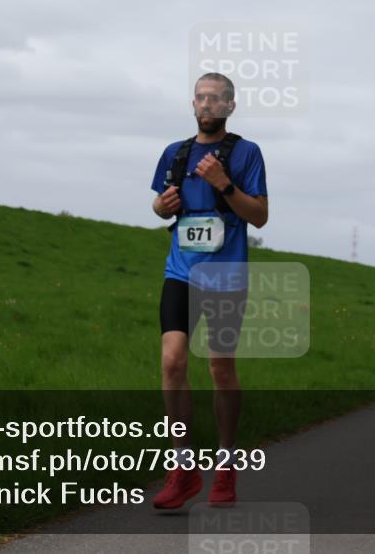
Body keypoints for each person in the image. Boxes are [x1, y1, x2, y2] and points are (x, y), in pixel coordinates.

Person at [150, 72, 268, 508]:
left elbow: (259, 216)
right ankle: (182, 467)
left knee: (220, 369)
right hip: (180, 271)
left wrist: (224, 183)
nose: (206, 104)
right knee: (172, 361)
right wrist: (161, 205)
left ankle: (225, 465)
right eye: (200, 97)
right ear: (193, 104)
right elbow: (161, 203)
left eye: (216, 98)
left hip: (225, 275)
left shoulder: (247, 153)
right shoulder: (174, 153)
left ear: (230, 107)